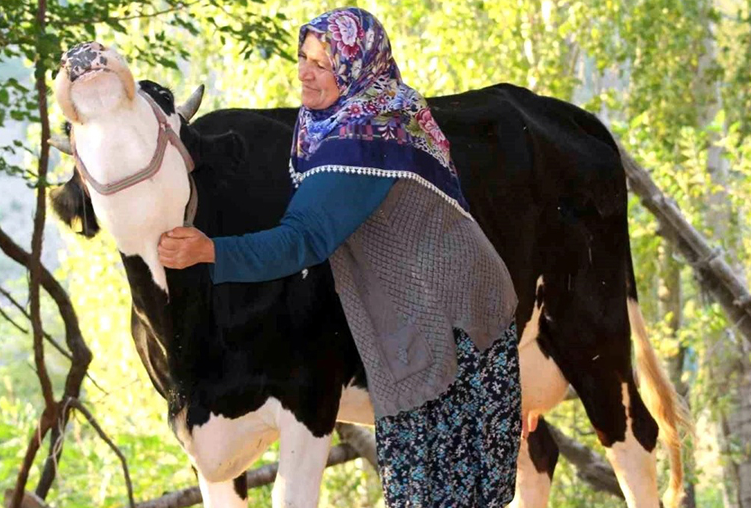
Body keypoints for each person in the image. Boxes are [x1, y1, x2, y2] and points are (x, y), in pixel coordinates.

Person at [158, 7, 521, 507]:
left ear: (355, 69)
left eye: (323, 64)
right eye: (302, 57)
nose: (305, 71)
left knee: (438, 492)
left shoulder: (361, 139)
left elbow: (302, 240)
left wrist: (210, 251)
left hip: (448, 323)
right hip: (461, 301)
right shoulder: (382, 108)